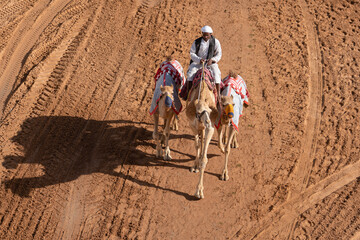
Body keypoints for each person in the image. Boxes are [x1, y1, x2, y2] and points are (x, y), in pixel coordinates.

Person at [184, 25, 222, 104]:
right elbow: (192, 53)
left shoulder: (215, 42)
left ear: (210, 34)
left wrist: (212, 60)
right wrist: (199, 60)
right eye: (204, 35)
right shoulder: (197, 42)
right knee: (190, 74)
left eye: (207, 35)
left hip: (210, 63)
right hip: (198, 63)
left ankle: (218, 95)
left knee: (216, 73)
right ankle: (188, 94)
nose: (205, 37)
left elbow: (219, 54)